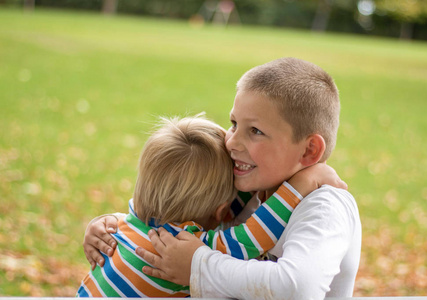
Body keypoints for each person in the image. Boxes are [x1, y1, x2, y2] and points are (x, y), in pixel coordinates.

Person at [134, 57, 362, 299]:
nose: (232, 142)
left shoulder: (325, 207)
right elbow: (169, 206)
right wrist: (112, 225)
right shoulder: (250, 191)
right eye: (234, 124)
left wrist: (199, 265)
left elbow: (296, 288)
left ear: (309, 150)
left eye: (255, 131)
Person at [77, 114, 347, 297]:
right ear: (220, 212)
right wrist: (301, 183)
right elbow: (253, 235)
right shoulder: (181, 244)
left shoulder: (124, 223)